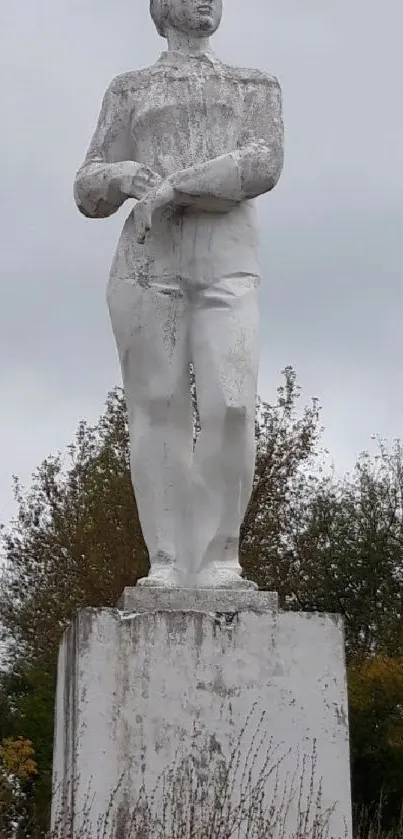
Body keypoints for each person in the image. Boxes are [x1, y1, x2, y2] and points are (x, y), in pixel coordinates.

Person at [74, 0, 284, 587]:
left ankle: (221, 557)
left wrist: (173, 189)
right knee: (158, 405)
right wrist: (121, 175)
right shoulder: (131, 88)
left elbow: (263, 164)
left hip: (227, 252)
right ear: (161, 8)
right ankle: (166, 559)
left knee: (234, 401)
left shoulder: (253, 84)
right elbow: (87, 187)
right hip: (147, 257)